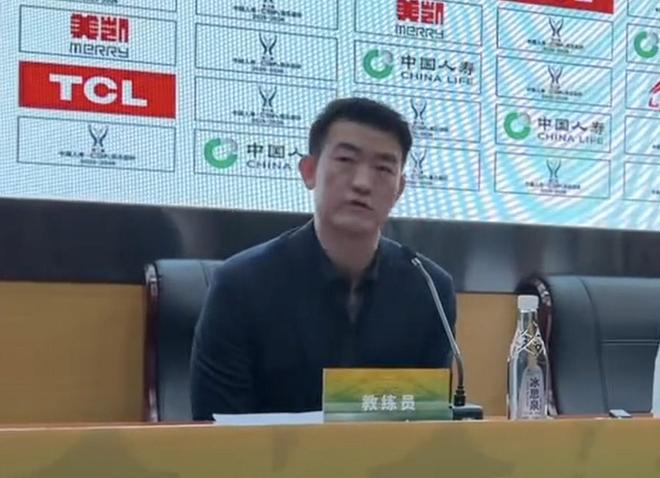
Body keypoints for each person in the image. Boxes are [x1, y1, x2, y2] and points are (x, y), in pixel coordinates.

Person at [190, 97, 456, 419]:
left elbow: (424, 426)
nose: (362, 183)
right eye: (346, 160)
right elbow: (215, 427)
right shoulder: (240, 287)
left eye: (383, 168)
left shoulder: (429, 289)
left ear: (399, 189)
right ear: (309, 171)